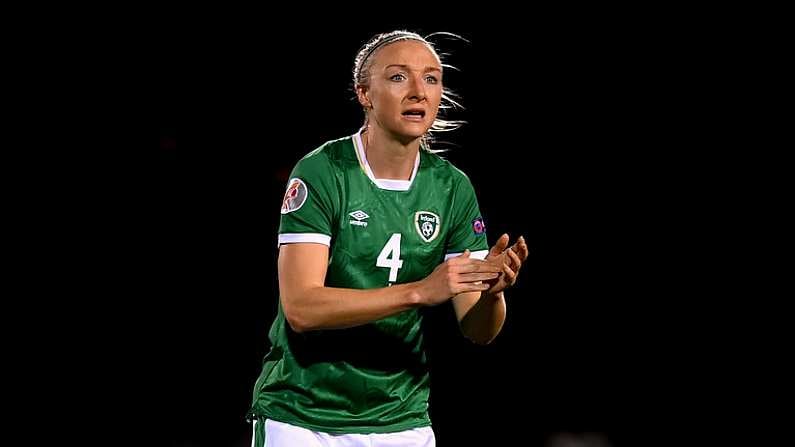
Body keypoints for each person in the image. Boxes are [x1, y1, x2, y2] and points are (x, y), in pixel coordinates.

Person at [247, 30, 529, 446]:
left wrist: (492, 294)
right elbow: (302, 308)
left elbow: (479, 331)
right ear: (364, 93)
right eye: (399, 77)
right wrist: (419, 292)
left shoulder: (452, 188)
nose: (418, 91)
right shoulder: (323, 172)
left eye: (432, 79)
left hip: (401, 419)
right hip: (303, 418)